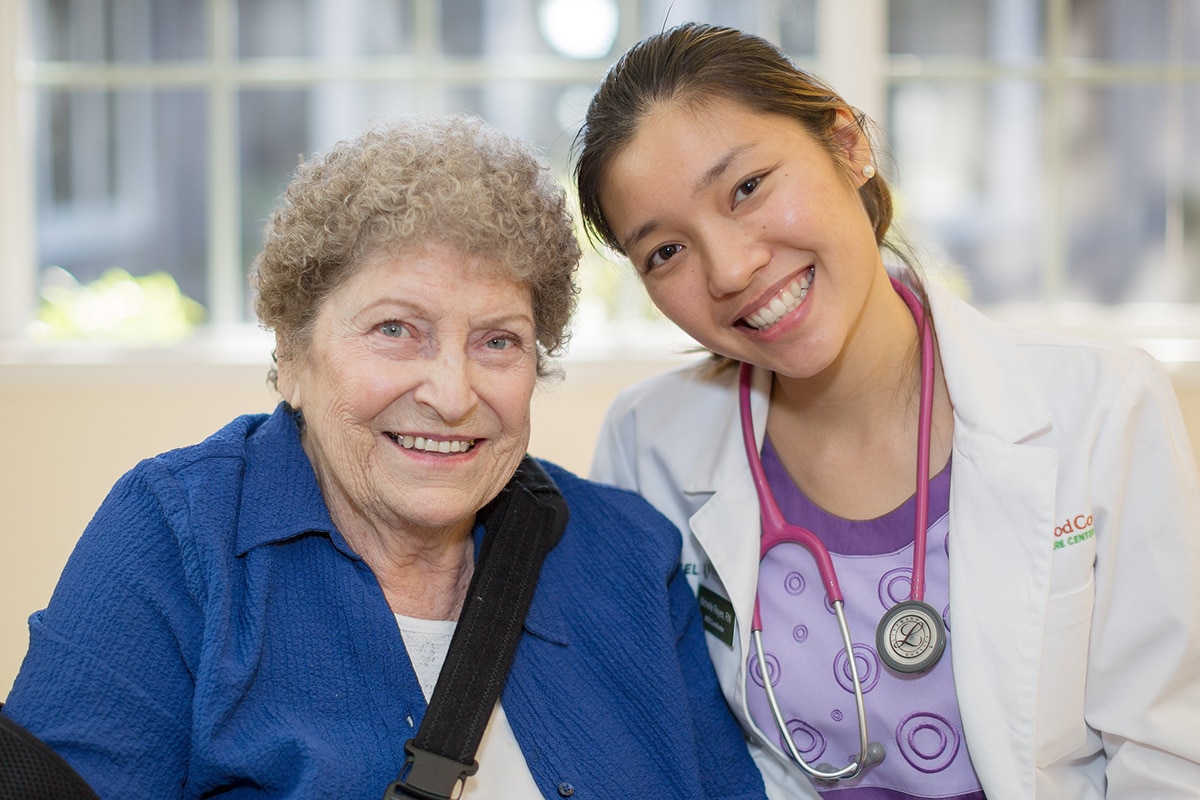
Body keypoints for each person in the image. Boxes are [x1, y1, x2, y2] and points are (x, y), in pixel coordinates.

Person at [1, 114, 768, 800]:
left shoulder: (630, 555)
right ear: (293, 355)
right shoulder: (179, 537)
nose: (451, 392)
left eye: (497, 341)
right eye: (397, 330)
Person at [573, 21, 1200, 800]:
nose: (730, 269)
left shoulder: (1105, 409)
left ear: (846, 145)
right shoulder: (649, 445)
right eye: (665, 251)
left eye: (747, 188)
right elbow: (657, 744)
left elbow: (1171, 759)